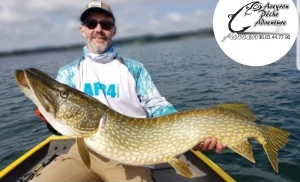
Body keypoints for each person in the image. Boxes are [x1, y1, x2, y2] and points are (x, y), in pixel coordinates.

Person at [31, 1, 225, 182]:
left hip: (132, 158)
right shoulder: (68, 73)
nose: (99, 29)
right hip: (83, 153)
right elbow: (63, 122)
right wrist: (50, 121)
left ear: (113, 31)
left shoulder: (134, 69)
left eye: (105, 24)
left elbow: (157, 105)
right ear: (83, 30)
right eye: (91, 23)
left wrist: (189, 134)